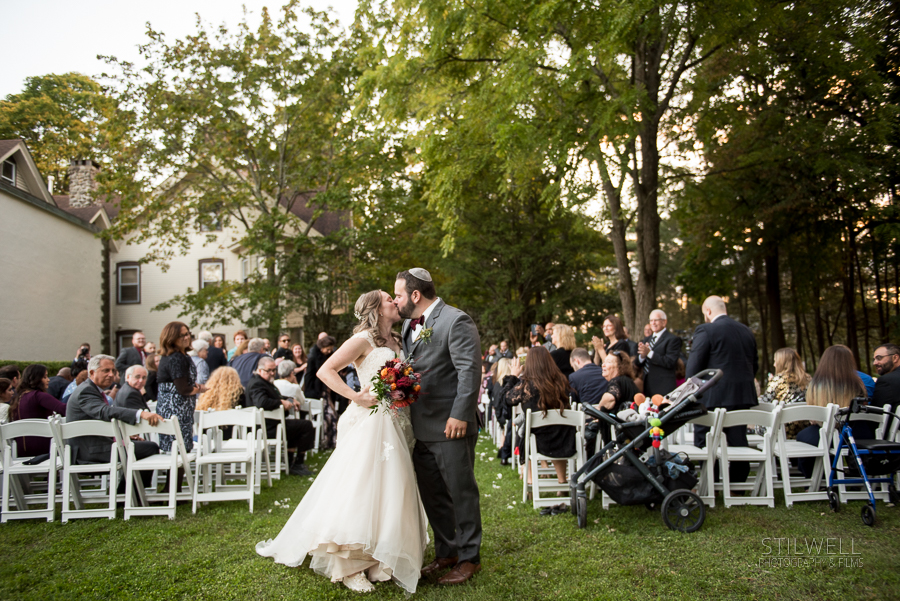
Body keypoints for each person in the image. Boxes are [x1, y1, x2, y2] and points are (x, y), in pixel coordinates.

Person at [257, 290, 428, 594]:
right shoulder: (363, 339)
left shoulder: (398, 340)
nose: (394, 302)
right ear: (376, 308)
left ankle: (377, 557)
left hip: (397, 420)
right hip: (370, 420)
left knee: (391, 487)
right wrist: (356, 396)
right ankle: (348, 565)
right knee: (361, 487)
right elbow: (325, 370)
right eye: (389, 299)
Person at [393, 268, 482, 585]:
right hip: (420, 426)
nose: (395, 300)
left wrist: (460, 414)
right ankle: (448, 552)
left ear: (415, 295)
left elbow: (469, 371)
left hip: (450, 426)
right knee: (433, 496)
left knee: (461, 492)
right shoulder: (407, 324)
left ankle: (470, 558)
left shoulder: (456, 320)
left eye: (399, 295)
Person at [685, 296, 759, 483]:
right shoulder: (746, 331)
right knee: (738, 440)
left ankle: (712, 482)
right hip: (742, 395)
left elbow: (694, 368)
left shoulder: (706, 329)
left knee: (705, 440)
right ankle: (737, 484)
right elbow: (754, 365)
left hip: (712, 396)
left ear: (708, 312)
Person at [66, 355, 161, 493]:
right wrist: (140, 414)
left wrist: (123, 437)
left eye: (113, 371)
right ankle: (129, 495)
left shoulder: (91, 389)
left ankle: (128, 495)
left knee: (145, 447)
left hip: (95, 446)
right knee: (150, 448)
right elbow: (104, 412)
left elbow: (99, 422)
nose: (111, 375)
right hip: (89, 452)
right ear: (92, 373)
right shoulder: (85, 391)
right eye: (106, 371)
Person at [500, 346, 575, 510]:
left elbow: (506, 399)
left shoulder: (527, 386)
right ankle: (562, 482)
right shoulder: (561, 381)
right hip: (565, 439)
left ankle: (530, 482)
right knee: (554, 430)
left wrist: (513, 376)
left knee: (525, 432)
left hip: (538, 442)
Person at [796, 345, 870, 476]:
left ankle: (817, 478)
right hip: (855, 434)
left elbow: (812, 419)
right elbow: (863, 409)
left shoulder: (814, 385)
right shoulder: (858, 383)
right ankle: (858, 475)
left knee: (803, 436)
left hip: (823, 434)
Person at [244, 356, 316, 476]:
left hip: (271, 424)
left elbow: (275, 396)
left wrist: (289, 399)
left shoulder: (264, 382)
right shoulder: (257, 384)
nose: (272, 373)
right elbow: (262, 402)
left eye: (274, 370)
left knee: (296, 427)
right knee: (306, 425)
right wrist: (281, 402)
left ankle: (290, 462)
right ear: (260, 370)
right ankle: (298, 463)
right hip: (266, 428)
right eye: (269, 371)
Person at [156, 322, 207, 458]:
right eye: (181, 336)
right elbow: (183, 389)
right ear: (171, 338)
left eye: (187, 334)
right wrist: (201, 390)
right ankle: (173, 480)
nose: (186, 338)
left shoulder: (180, 355)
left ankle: (173, 479)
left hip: (179, 408)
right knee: (179, 453)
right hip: (176, 409)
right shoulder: (176, 357)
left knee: (178, 453)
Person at [9, 364, 67, 456]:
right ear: (36, 379)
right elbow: (64, 409)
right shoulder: (37, 395)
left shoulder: (19, 396)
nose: (48, 379)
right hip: (42, 447)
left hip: (19, 448)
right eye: (44, 377)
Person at [636, 309, 681, 396]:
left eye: (656, 320)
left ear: (664, 322)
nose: (653, 323)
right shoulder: (647, 340)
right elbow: (638, 363)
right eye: (651, 320)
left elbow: (670, 362)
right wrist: (642, 356)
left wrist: (649, 353)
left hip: (663, 387)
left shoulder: (672, 339)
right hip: (647, 386)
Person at [492, 358, 514, 465]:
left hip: (507, 415)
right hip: (503, 415)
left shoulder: (506, 384)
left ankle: (504, 451)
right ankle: (505, 452)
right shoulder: (500, 385)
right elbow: (497, 406)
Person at [303, 336, 336, 402]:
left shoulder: (329, 356)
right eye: (327, 349)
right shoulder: (313, 358)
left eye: (331, 350)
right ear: (322, 348)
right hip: (316, 387)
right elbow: (309, 376)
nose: (329, 351)